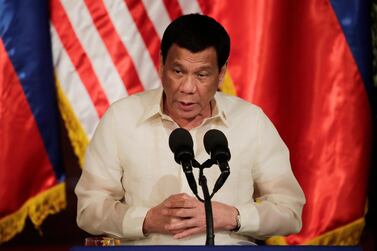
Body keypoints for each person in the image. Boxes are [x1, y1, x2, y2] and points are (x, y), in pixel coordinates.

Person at [75, 14, 305, 245]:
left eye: (201, 75)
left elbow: (289, 212)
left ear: (221, 73)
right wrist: (145, 219)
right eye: (178, 72)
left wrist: (233, 217)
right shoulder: (121, 118)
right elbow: (89, 209)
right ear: (162, 64)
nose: (187, 87)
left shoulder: (250, 121)